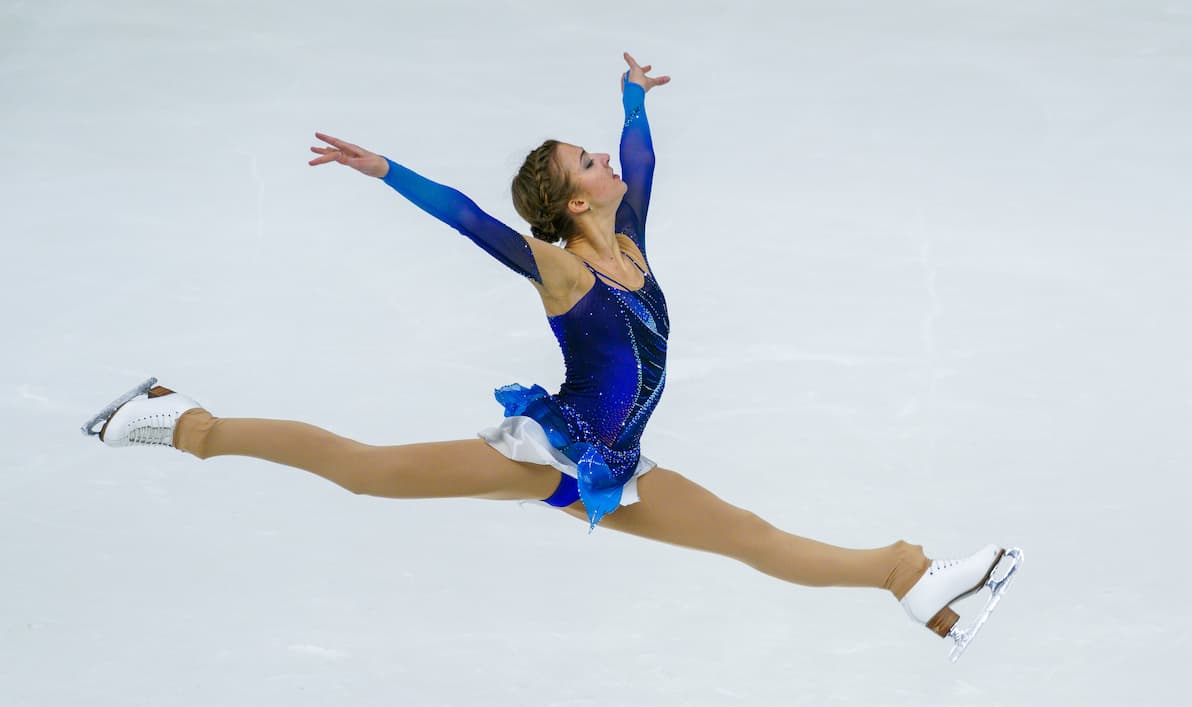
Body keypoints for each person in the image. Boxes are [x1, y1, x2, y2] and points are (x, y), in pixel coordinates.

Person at [81, 53, 1019, 657]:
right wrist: (386, 171)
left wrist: (629, 102)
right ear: (573, 203)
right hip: (547, 452)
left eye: (597, 156)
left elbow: (641, 160)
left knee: (753, 540)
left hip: (610, 471)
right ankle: (175, 422)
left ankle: (910, 578)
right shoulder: (563, 270)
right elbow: (472, 221)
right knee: (363, 472)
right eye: (589, 162)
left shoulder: (632, 236)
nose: (607, 166)